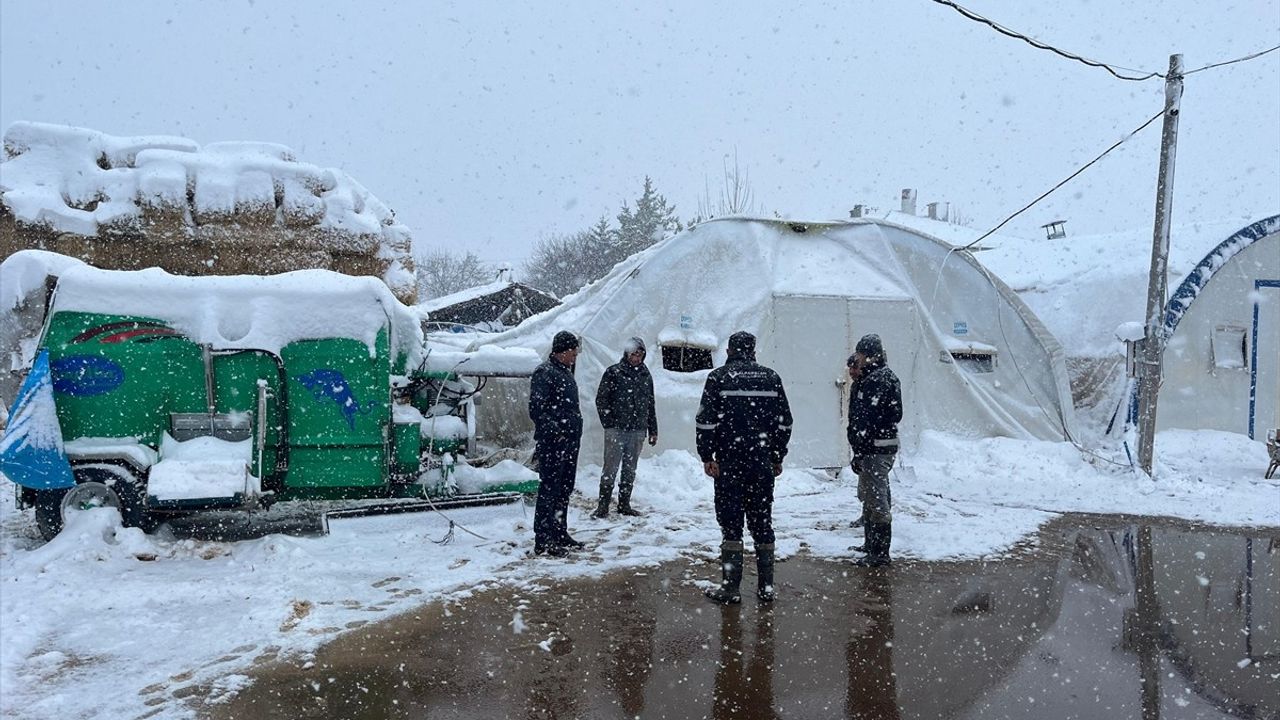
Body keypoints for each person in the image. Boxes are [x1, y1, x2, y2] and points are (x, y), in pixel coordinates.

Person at [696, 331, 793, 603]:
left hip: (730, 463)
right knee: (762, 521)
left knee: (731, 523)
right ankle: (766, 587)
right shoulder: (771, 378)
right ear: (753, 350)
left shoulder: (718, 378)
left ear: (729, 351)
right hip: (760, 463)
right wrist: (776, 455)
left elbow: (705, 422)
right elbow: (785, 422)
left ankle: (730, 587)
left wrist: (707, 455)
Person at [847, 333, 902, 568]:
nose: (857, 359)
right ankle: (871, 545)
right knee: (871, 495)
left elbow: (869, 418)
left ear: (868, 355)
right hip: (873, 446)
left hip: (875, 448)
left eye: (860, 354)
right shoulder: (874, 377)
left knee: (876, 497)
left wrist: (861, 447)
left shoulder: (878, 380)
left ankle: (879, 553)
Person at [529, 330, 585, 557]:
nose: (575, 356)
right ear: (561, 351)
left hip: (569, 442)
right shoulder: (545, 372)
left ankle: (559, 530)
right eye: (572, 352)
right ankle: (543, 539)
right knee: (550, 489)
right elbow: (537, 410)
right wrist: (557, 432)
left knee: (564, 488)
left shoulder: (564, 371)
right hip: (554, 444)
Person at [592, 337, 658, 519]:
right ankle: (603, 506)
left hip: (638, 430)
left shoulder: (646, 375)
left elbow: (650, 404)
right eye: (633, 354)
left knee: (630, 469)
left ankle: (624, 504)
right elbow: (601, 400)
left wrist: (653, 429)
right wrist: (610, 424)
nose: (636, 358)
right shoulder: (614, 373)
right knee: (610, 468)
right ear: (626, 353)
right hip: (617, 430)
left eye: (640, 354)